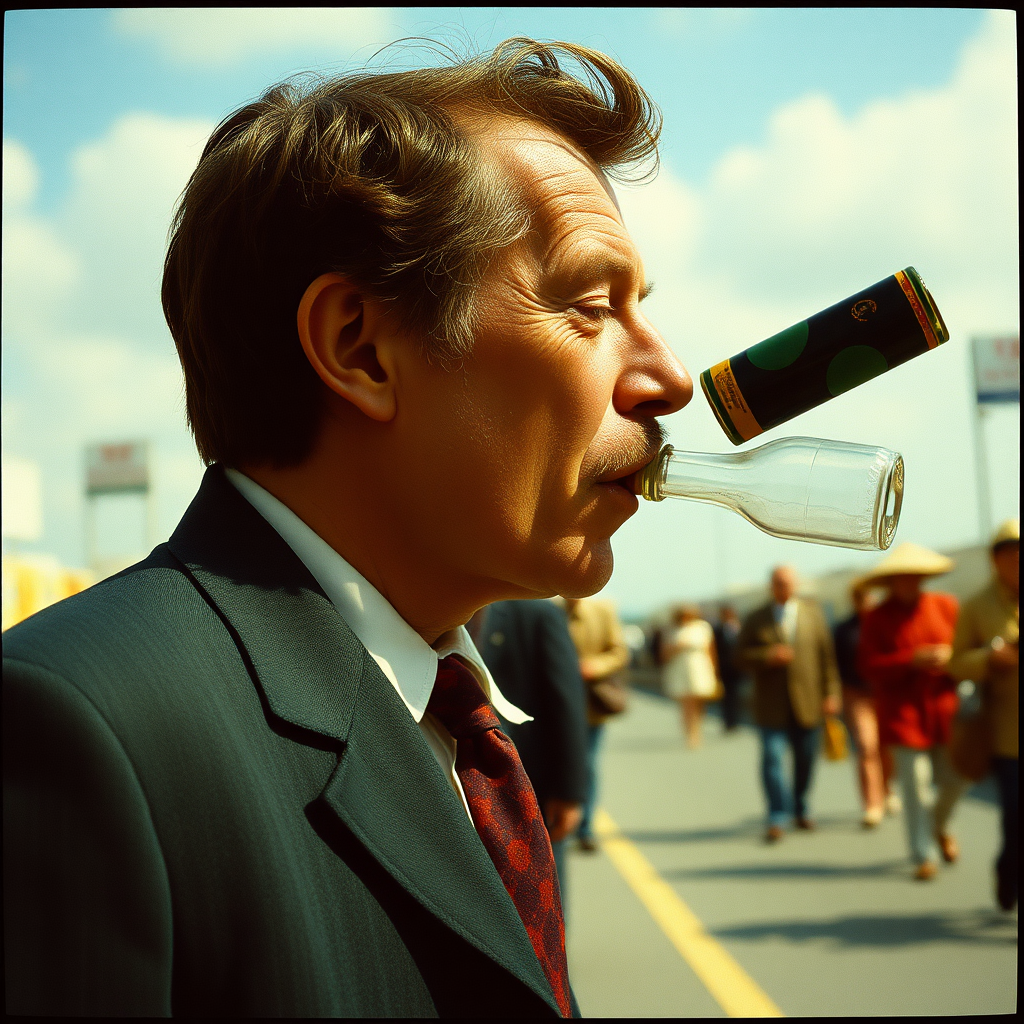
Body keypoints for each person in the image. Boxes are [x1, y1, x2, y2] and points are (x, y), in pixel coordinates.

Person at [2, 39, 693, 1017]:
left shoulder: (460, 717)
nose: (669, 378)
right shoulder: (82, 729)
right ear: (359, 348)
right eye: (589, 304)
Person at [858, 543, 967, 882]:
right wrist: (911, 660)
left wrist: (951, 658)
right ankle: (924, 853)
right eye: (901, 578)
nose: (909, 584)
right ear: (890, 582)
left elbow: (968, 651)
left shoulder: (946, 606)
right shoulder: (877, 618)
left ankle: (939, 826)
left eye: (914, 578)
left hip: (945, 709)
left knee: (955, 779)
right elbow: (868, 666)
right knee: (915, 784)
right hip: (903, 714)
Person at [469, 600, 589, 895]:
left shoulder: (538, 614)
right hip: (462, 789)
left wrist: (569, 793)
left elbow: (566, 703)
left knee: (540, 889)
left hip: (530, 785)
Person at [737, 565, 842, 843]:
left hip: (808, 702)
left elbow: (826, 658)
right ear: (771, 586)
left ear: (794, 585)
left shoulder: (813, 614)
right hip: (771, 706)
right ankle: (777, 815)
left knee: (806, 759)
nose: (783, 588)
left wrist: (831, 694)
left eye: (787, 583)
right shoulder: (756, 618)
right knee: (771, 758)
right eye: (778, 583)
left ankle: (802, 807)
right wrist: (766, 656)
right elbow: (738, 657)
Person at [949, 519, 1019, 911]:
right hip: (1007, 734)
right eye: (1011, 554)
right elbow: (956, 664)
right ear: (996, 561)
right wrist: (991, 660)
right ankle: (1007, 870)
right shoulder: (977, 606)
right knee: (1015, 821)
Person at [560, 597, 631, 852]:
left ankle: (585, 827)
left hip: (591, 703)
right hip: (556, 704)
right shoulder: (548, 609)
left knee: (587, 764)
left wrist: (595, 666)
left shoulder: (604, 610)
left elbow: (619, 652)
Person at [832, 581, 896, 828]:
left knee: (886, 748)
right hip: (856, 695)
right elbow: (835, 664)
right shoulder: (844, 629)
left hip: (884, 693)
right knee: (866, 747)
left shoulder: (884, 624)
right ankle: (872, 804)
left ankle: (887, 789)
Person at [662, 604, 720, 748]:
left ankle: (697, 728)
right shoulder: (672, 630)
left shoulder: (702, 627)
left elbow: (710, 650)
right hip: (681, 667)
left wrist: (714, 669)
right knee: (686, 702)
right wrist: (677, 648)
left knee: (698, 701)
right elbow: (664, 654)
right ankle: (689, 732)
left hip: (699, 667)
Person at [713, 603, 746, 731]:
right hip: (724, 667)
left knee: (736, 695)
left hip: (737, 668)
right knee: (726, 696)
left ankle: (735, 721)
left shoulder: (739, 627)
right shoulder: (717, 629)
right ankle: (728, 721)